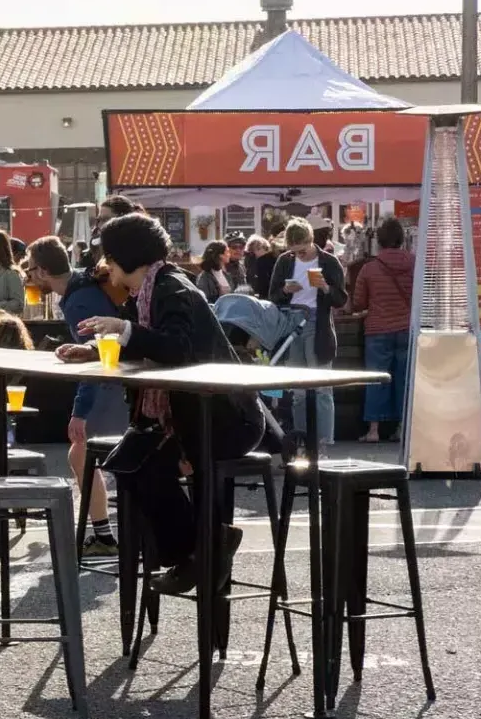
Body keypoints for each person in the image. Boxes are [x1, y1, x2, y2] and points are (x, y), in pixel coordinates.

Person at [58, 213, 266, 595]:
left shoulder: (173, 288)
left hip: (224, 420)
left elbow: (175, 347)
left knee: (142, 463)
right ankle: (202, 549)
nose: (104, 265)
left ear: (125, 257)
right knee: (130, 461)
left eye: (108, 257)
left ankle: (198, 552)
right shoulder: (147, 292)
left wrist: (123, 332)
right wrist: (91, 349)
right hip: (192, 417)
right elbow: (134, 336)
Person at [27, 235, 132, 556]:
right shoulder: (83, 285)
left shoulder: (77, 301)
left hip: (114, 383)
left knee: (84, 454)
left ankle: (108, 536)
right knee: (89, 455)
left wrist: (80, 411)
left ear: (44, 272)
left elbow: (98, 354)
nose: (27, 276)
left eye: (29, 270)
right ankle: (110, 533)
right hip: (123, 379)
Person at [268, 217, 348, 448]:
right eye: (294, 252)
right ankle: (302, 443)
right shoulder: (285, 261)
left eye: (302, 251)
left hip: (317, 323)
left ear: (311, 241)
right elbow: (272, 296)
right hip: (292, 321)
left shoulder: (329, 261)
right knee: (298, 390)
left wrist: (324, 287)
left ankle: (323, 443)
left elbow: (341, 299)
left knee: (322, 387)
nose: (299, 256)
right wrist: (285, 289)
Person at [348, 218, 415, 443]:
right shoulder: (415, 263)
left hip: (377, 330)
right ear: (401, 239)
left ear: (379, 241)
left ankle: (374, 431)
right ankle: (403, 428)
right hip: (407, 328)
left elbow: (358, 303)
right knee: (405, 380)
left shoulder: (370, 268)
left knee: (377, 379)